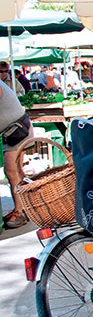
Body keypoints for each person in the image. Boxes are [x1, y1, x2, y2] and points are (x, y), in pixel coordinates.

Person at [0, 76, 32, 228]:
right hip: (14, 129)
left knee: (12, 172)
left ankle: (21, 212)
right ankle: (25, 207)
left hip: (16, 130)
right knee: (17, 172)